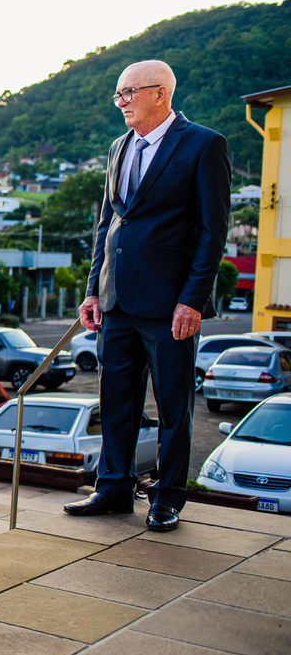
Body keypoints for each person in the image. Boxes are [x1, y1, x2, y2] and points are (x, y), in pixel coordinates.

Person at [66, 60, 229, 532]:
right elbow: (107, 225)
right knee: (117, 399)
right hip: (116, 301)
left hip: (169, 304)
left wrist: (192, 299)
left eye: (128, 93)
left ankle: (167, 498)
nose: (121, 103)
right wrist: (94, 288)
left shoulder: (204, 144)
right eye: (117, 95)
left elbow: (210, 231)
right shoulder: (118, 147)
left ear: (160, 93)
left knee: (173, 406)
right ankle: (113, 488)